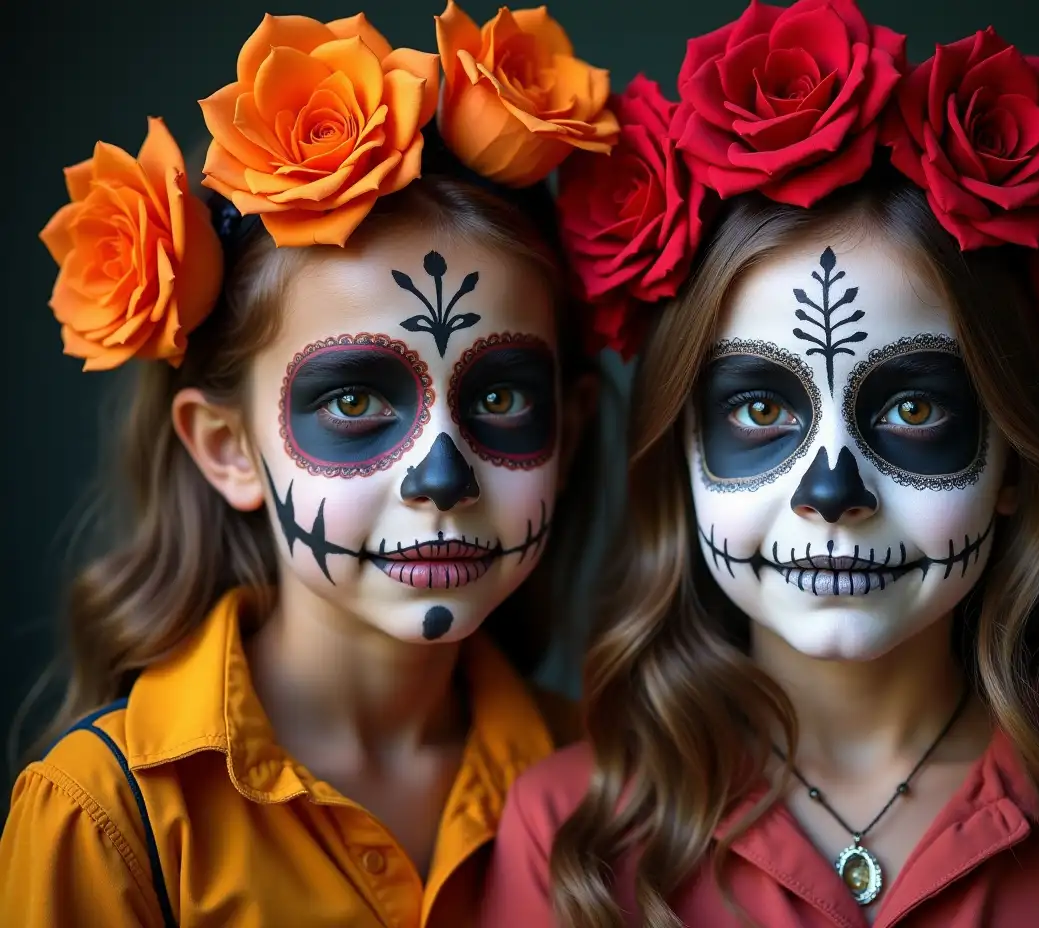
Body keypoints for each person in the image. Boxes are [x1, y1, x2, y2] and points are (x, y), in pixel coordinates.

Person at [480, 1, 1039, 925]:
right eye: (760, 408)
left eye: (914, 409)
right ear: (684, 452)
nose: (831, 493)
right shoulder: (571, 833)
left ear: (1016, 467)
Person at [1, 6, 619, 926]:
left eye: (497, 399)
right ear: (227, 448)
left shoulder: (613, 789)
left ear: (566, 433)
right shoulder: (110, 818)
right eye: (355, 401)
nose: (440, 477)